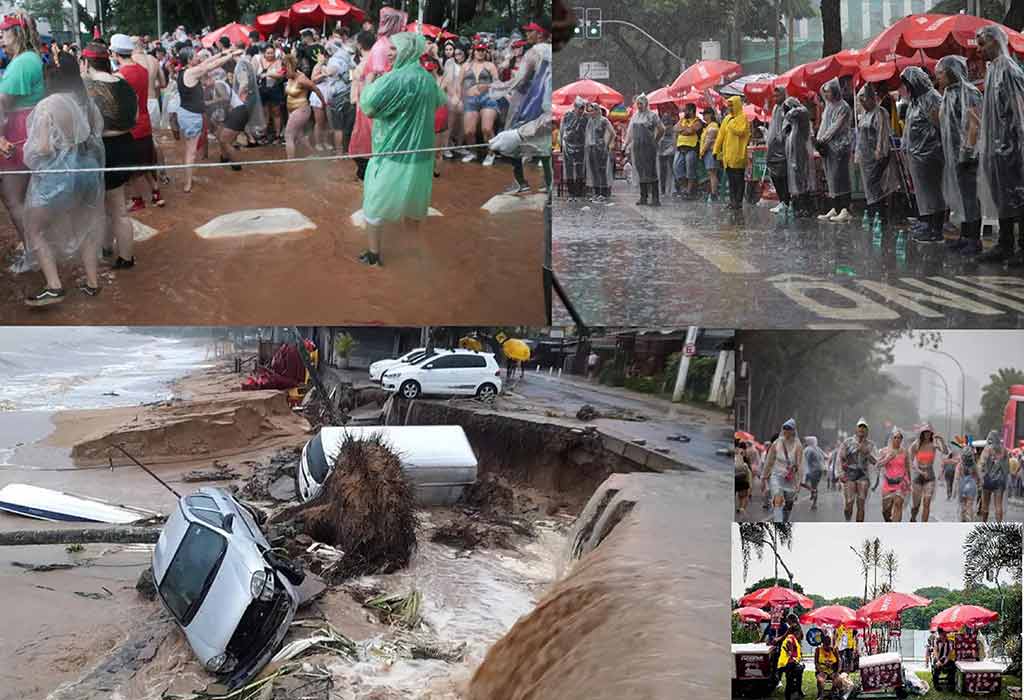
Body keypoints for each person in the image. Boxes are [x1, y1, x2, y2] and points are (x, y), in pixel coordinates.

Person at [20, 50, 105, 306]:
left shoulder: (47, 105)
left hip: (59, 176)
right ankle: (93, 283)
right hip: (87, 169)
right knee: (86, 227)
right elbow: (95, 133)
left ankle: (54, 287)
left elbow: (43, 148)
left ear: (51, 77)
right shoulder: (85, 100)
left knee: (35, 229)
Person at [357, 32, 445, 267]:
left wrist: (367, 82)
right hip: (420, 156)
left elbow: (368, 106)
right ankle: (415, 255)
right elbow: (440, 101)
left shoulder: (393, 79)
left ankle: (374, 255)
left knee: (374, 204)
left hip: (392, 152)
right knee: (414, 206)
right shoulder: (427, 79)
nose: (389, 52)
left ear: (407, 51)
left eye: (394, 48)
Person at [81, 42, 139, 271]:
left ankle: (108, 251)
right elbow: (134, 117)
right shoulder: (124, 84)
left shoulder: (85, 86)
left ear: (86, 62)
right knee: (119, 207)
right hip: (126, 144)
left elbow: (81, 124)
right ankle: (124, 257)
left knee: (101, 207)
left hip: (101, 148)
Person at [975, 25, 1024, 265]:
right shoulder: (993, 70)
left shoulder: (1009, 69)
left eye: (982, 44)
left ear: (996, 41)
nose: (979, 50)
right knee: (1004, 197)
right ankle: (1005, 244)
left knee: (1019, 196)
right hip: (997, 149)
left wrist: (1018, 143)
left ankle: (1020, 247)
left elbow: (1018, 111)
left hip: (1012, 148)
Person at [0, 11, 46, 251]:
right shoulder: (27, 58)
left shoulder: (22, 62)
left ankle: (33, 248)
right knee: (25, 195)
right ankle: (34, 244)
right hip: (24, 130)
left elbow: (1, 103)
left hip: (17, 134)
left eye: (4, 32)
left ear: (16, 33)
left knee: (13, 197)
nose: (0, 38)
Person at [936, 55, 984, 256]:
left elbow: (975, 123)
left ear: (951, 71)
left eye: (940, 73)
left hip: (967, 155)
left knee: (971, 196)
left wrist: (968, 150)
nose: (938, 77)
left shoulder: (969, 92)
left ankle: (974, 239)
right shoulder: (948, 92)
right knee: (962, 197)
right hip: (954, 154)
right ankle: (964, 236)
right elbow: (943, 120)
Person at [176, 46, 241, 192]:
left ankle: (188, 179)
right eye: (195, 56)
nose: (198, 58)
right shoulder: (192, 72)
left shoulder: (184, 71)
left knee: (188, 149)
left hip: (185, 113)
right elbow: (212, 65)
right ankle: (187, 184)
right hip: (191, 116)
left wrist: (223, 53)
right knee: (191, 151)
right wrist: (230, 56)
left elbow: (207, 62)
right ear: (189, 59)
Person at [111, 34, 163, 211]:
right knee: (147, 162)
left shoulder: (120, 76)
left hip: (131, 128)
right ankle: (156, 194)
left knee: (134, 169)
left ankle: (137, 199)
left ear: (116, 53)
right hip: (145, 121)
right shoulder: (143, 70)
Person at [900, 66, 947, 243]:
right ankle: (928, 224)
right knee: (924, 193)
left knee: (934, 192)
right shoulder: (915, 100)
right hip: (917, 155)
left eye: (907, 83)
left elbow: (939, 125)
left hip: (930, 154)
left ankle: (937, 228)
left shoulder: (932, 98)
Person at [855, 83, 898, 226]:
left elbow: (883, 135)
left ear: (871, 98)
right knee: (869, 187)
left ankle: (881, 216)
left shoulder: (880, 113)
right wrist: (858, 153)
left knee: (876, 185)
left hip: (878, 157)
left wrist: (880, 152)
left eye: (864, 99)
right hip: (866, 159)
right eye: (860, 100)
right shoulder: (865, 115)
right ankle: (875, 215)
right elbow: (860, 136)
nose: (862, 103)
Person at [815, 79, 853, 222]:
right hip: (829, 148)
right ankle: (835, 207)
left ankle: (845, 209)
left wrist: (822, 139)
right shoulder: (828, 106)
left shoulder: (843, 107)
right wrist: (819, 140)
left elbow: (835, 127)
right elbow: (824, 124)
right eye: (825, 92)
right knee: (831, 178)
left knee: (840, 177)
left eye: (829, 91)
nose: (826, 95)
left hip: (840, 147)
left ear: (836, 91)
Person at [458, 42, 499, 165]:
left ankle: (491, 153)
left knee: (486, 129)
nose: (480, 52)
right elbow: (459, 85)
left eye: (482, 50)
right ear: (473, 51)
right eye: (478, 50)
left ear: (486, 52)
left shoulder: (490, 65)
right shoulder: (465, 66)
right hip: (470, 99)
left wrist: (485, 85)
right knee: (468, 131)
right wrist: (460, 99)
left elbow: (497, 83)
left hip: (488, 98)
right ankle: (473, 152)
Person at [282, 54, 325, 160]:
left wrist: (323, 102)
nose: (284, 74)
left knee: (288, 135)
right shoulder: (290, 76)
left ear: (291, 69)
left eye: (286, 72)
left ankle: (290, 160)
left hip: (301, 109)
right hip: (292, 109)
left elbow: (315, 88)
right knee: (299, 135)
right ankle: (313, 153)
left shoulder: (301, 79)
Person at [348, 30, 378, 181]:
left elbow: (356, 87)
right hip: (373, 109)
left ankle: (364, 175)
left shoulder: (365, 64)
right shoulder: (377, 60)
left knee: (362, 144)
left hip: (364, 109)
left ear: (359, 45)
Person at [624, 93, 664, 207]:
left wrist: (655, 141)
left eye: (641, 103)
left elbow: (661, 129)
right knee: (640, 171)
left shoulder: (652, 116)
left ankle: (655, 198)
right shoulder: (635, 116)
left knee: (651, 171)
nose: (639, 106)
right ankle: (643, 197)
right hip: (637, 148)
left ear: (646, 104)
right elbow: (630, 132)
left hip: (649, 148)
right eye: (638, 104)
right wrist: (626, 144)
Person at [762, 418, 803, 523]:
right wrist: (764, 476)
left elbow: (800, 465)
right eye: (784, 428)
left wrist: (799, 482)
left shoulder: (798, 446)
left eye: (788, 428)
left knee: (789, 503)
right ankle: (778, 524)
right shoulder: (776, 443)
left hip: (791, 478)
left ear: (793, 430)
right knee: (777, 500)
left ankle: (785, 521)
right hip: (776, 475)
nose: (786, 430)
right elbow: (769, 461)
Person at [714, 95, 750, 210]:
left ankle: (738, 202)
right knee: (731, 180)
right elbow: (720, 135)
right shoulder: (727, 118)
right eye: (728, 105)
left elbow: (741, 131)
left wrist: (732, 123)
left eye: (731, 105)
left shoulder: (742, 117)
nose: (730, 107)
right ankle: (732, 201)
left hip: (739, 155)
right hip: (728, 156)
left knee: (738, 180)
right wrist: (716, 150)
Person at [839, 418, 877, 522]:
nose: (862, 430)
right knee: (849, 504)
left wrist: (865, 452)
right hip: (849, 475)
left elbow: (876, 462)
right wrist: (841, 472)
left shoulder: (870, 445)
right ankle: (847, 519)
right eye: (860, 427)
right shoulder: (847, 442)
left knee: (861, 505)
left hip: (863, 476)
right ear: (856, 429)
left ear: (867, 431)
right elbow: (841, 458)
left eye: (864, 428)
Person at [783, 97, 815, 217]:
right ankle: (799, 207)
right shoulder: (793, 125)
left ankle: (806, 207)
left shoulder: (802, 115)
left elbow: (801, 111)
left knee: (802, 179)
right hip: (793, 155)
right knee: (796, 181)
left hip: (800, 154)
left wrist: (792, 110)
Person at [909, 423, 946, 522]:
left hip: (930, 475)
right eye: (925, 433)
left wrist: (941, 440)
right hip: (918, 476)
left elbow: (946, 452)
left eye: (929, 432)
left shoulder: (934, 444)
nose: (927, 435)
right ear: (922, 433)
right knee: (916, 505)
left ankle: (924, 527)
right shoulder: (915, 445)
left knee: (927, 502)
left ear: (931, 433)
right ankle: (913, 518)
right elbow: (911, 462)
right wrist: (919, 471)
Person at [876, 427, 910, 522]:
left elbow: (907, 468)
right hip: (888, 483)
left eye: (899, 438)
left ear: (902, 439)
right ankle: (889, 522)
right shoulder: (884, 451)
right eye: (895, 437)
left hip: (901, 483)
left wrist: (909, 482)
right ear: (891, 439)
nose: (897, 440)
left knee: (898, 504)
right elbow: (877, 465)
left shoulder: (904, 452)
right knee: (885, 512)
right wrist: (888, 458)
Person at [765, 86, 790, 215]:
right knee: (775, 176)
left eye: (777, 96)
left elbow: (786, 128)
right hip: (773, 147)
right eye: (774, 96)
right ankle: (782, 201)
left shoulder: (787, 108)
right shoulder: (775, 109)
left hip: (783, 148)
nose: (775, 99)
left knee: (783, 176)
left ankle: (786, 202)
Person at [254, 43, 285, 144]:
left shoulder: (278, 62)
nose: (270, 55)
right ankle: (265, 134)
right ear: (264, 53)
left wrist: (267, 74)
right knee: (265, 113)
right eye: (268, 53)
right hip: (262, 90)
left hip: (274, 89)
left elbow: (280, 75)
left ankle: (277, 135)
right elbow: (254, 74)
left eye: (272, 53)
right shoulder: (259, 61)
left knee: (276, 112)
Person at [584, 101, 613, 202]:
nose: (590, 113)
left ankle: (603, 193)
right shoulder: (590, 121)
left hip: (600, 148)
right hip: (591, 148)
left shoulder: (603, 120)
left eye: (592, 111)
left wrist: (606, 144)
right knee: (593, 171)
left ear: (597, 111)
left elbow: (612, 133)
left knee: (601, 170)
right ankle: (596, 192)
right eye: (590, 111)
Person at [978, 429, 1009, 522]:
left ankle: (984, 524)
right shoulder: (1004, 450)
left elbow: (981, 464)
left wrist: (980, 478)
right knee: (998, 505)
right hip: (1000, 481)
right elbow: (1007, 468)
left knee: (985, 505)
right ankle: (999, 526)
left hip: (988, 480)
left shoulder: (987, 449)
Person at [560, 96, 587, 200]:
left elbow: (588, 131)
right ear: (575, 107)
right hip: (568, 144)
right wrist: (562, 143)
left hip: (581, 145)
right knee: (569, 168)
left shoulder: (585, 117)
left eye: (582, 108)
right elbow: (563, 129)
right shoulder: (567, 115)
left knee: (580, 168)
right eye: (579, 108)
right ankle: (571, 191)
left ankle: (579, 191)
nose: (581, 110)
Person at [675, 103, 701, 198]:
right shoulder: (682, 120)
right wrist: (687, 129)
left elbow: (692, 131)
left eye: (686, 110)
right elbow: (675, 128)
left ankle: (689, 191)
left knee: (690, 170)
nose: (684, 112)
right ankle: (684, 188)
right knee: (677, 168)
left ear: (691, 111)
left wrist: (683, 130)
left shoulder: (697, 121)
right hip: (680, 147)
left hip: (691, 148)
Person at [777, 622, 804, 700]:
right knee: (790, 682)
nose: (800, 635)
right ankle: (789, 697)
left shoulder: (793, 638)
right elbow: (789, 646)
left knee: (795, 679)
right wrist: (790, 651)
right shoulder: (790, 638)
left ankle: (798, 692)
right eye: (799, 632)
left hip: (792, 663)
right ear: (795, 632)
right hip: (788, 663)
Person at [955, 441, 981, 521]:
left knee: (962, 504)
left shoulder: (960, 465)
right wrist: (979, 484)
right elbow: (978, 477)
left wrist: (955, 489)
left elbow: (957, 477)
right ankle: (970, 520)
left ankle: (963, 520)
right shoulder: (974, 465)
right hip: (971, 485)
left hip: (962, 485)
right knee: (970, 505)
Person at [700, 107, 720, 200]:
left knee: (712, 173)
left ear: (710, 115)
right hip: (709, 152)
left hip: (711, 152)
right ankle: (713, 191)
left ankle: (714, 193)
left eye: (705, 114)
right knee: (711, 173)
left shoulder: (713, 126)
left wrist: (702, 151)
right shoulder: (708, 126)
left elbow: (709, 141)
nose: (704, 116)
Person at [657, 108, 677, 197]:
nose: (666, 125)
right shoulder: (660, 128)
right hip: (662, 150)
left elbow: (674, 139)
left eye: (668, 122)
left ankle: (671, 189)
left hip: (671, 150)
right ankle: (663, 189)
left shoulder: (673, 129)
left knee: (671, 170)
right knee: (663, 171)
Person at [803, 436, 825, 511]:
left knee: (802, 483)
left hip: (812, 470)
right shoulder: (818, 448)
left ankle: (813, 494)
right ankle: (814, 498)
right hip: (820, 470)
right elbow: (826, 456)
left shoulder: (808, 449)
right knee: (815, 486)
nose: (805, 443)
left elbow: (805, 460)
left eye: (806, 441)